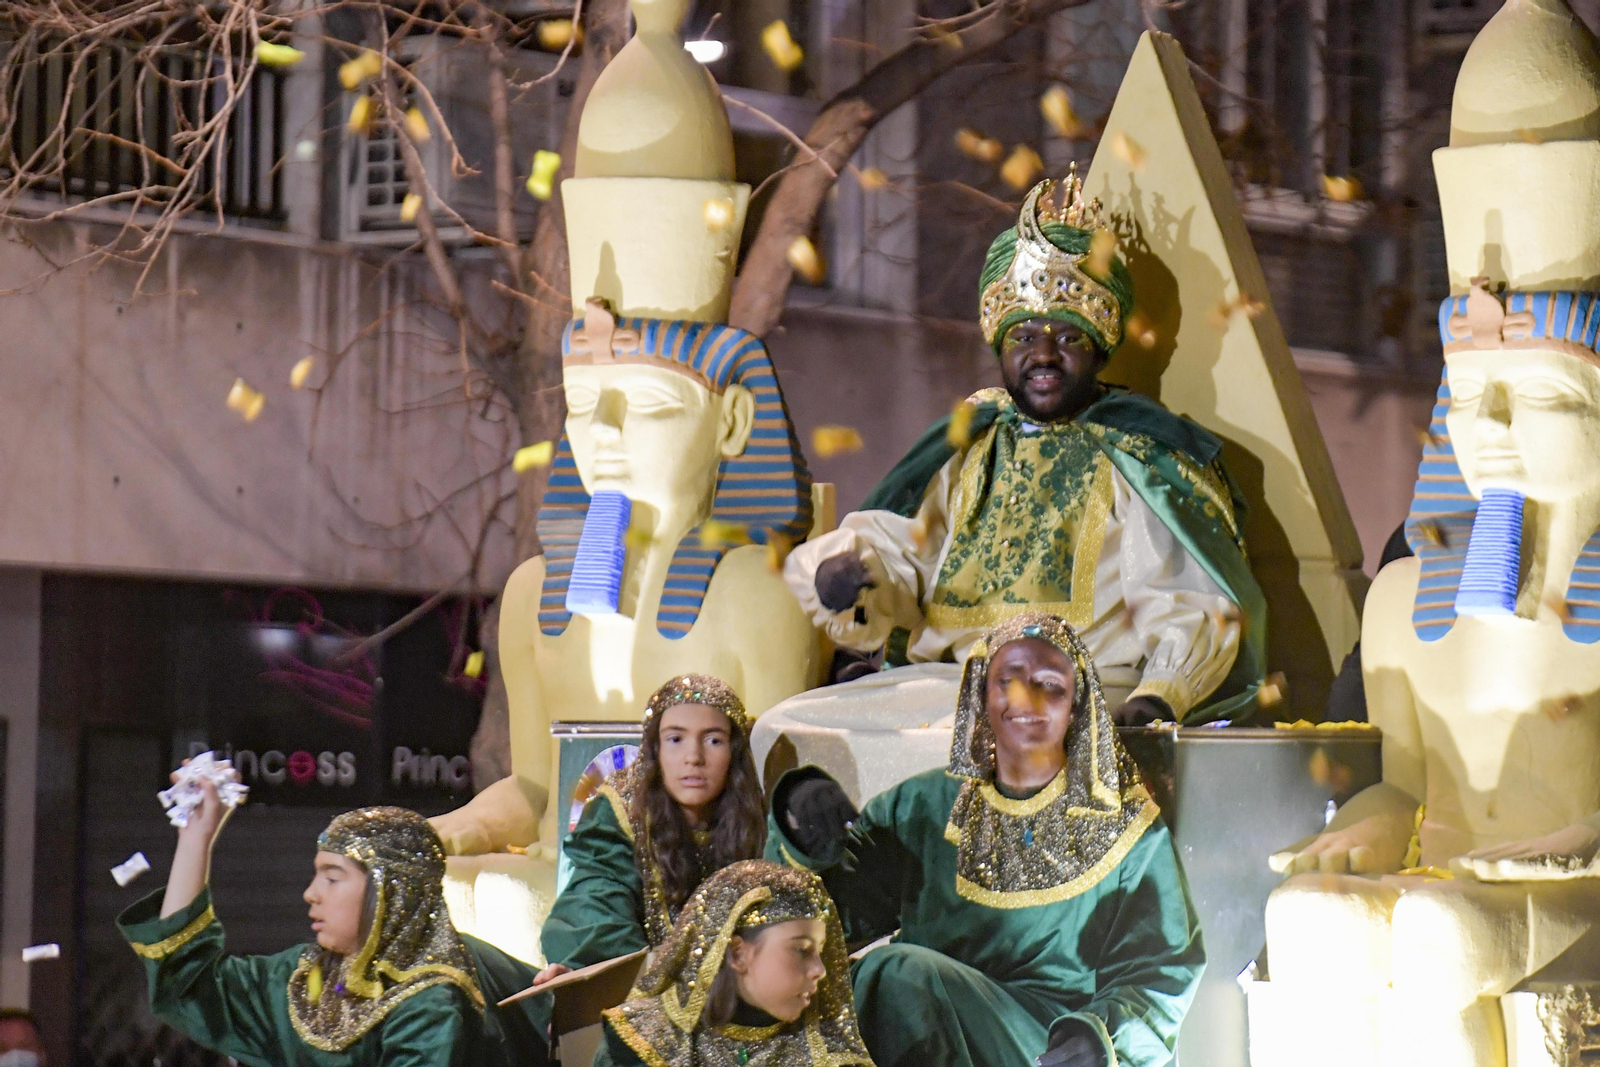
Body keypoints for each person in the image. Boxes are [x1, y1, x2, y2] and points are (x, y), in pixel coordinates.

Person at [782, 171, 1265, 725]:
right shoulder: (968, 445)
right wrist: (846, 572)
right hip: (950, 688)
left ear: (1099, 349)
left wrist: (1158, 697)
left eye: (1068, 338)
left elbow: (1180, 595)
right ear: (1000, 345)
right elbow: (902, 553)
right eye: (1024, 337)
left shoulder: (1138, 457)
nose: (1045, 355)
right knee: (793, 728)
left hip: (1077, 695)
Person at [769, 611, 1204, 1067]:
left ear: (1076, 703)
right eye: (1007, 681)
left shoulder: (1126, 825)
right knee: (870, 984)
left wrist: (1104, 1036)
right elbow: (821, 926)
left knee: (894, 974)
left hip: (1051, 1046)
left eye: (1050, 684)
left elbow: (1162, 969)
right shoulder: (925, 805)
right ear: (980, 695)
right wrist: (799, 829)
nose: (1027, 697)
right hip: (927, 1030)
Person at [117, 776, 549, 1067]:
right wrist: (196, 837)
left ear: (388, 895)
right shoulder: (306, 982)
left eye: (333, 877)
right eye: (316, 874)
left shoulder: (434, 1004)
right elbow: (186, 980)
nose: (311, 893)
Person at [530, 674, 767, 987]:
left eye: (713, 740)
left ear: (734, 753)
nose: (693, 758)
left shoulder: (761, 820)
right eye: (675, 739)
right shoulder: (620, 809)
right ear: (655, 750)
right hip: (640, 998)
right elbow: (592, 910)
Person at [593, 859, 874, 1066]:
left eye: (821, 951)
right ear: (738, 954)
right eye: (801, 950)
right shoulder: (640, 1045)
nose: (820, 970)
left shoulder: (828, 1055)